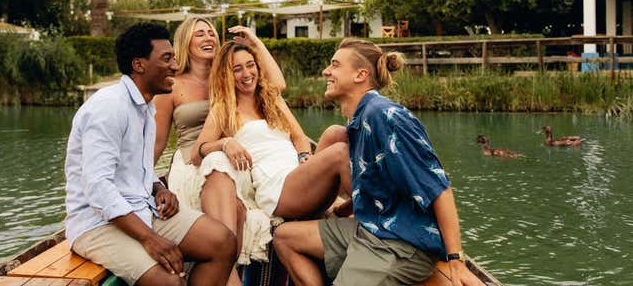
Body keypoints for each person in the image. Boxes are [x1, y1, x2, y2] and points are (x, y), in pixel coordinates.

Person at [272, 38, 484, 286]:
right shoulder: (359, 119)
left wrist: (456, 260)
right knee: (284, 237)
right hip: (370, 228)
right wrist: (342, 210)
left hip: (399, 244)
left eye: (335, 65)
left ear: (360, 75)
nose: (326, 71)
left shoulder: (385, 115)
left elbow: (439, 188)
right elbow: (377, 182)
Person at [64, 23, 237, 286]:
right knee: (170, 282)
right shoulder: (109, 107)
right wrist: (149, 238)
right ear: (139, 65)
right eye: (166, 59)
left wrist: (158, 188)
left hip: (142, 209)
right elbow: (98, 187)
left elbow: (135, 169)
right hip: (97, 224)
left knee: (222, 242)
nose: (175, 66)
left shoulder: (145, 108)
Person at [153, 19, 286, 279]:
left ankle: (224, 270)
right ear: (185, 42)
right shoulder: (171, 85)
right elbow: (157, 143)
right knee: (219, 169)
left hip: (233, 160)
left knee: (233, 201)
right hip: (192, 163)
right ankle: (228, 271)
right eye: (199, 34)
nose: (208, 38)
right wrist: (144, 181)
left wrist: (256, 43)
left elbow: (277, 86)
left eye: (211, 33)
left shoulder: (229, 76)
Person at [193, 41, 353, 224]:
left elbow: (299, 137)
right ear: (226, 75)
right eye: (237, 69)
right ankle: (371, 212)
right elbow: (196, 154)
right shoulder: (223, 109)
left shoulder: (272, 98)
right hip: (277, 188)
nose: (247, 74)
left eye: (250, 65)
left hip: (298, 173)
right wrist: (225, 143)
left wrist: (304, 156)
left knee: (337, 133)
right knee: (340, 152)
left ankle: (345, 209)